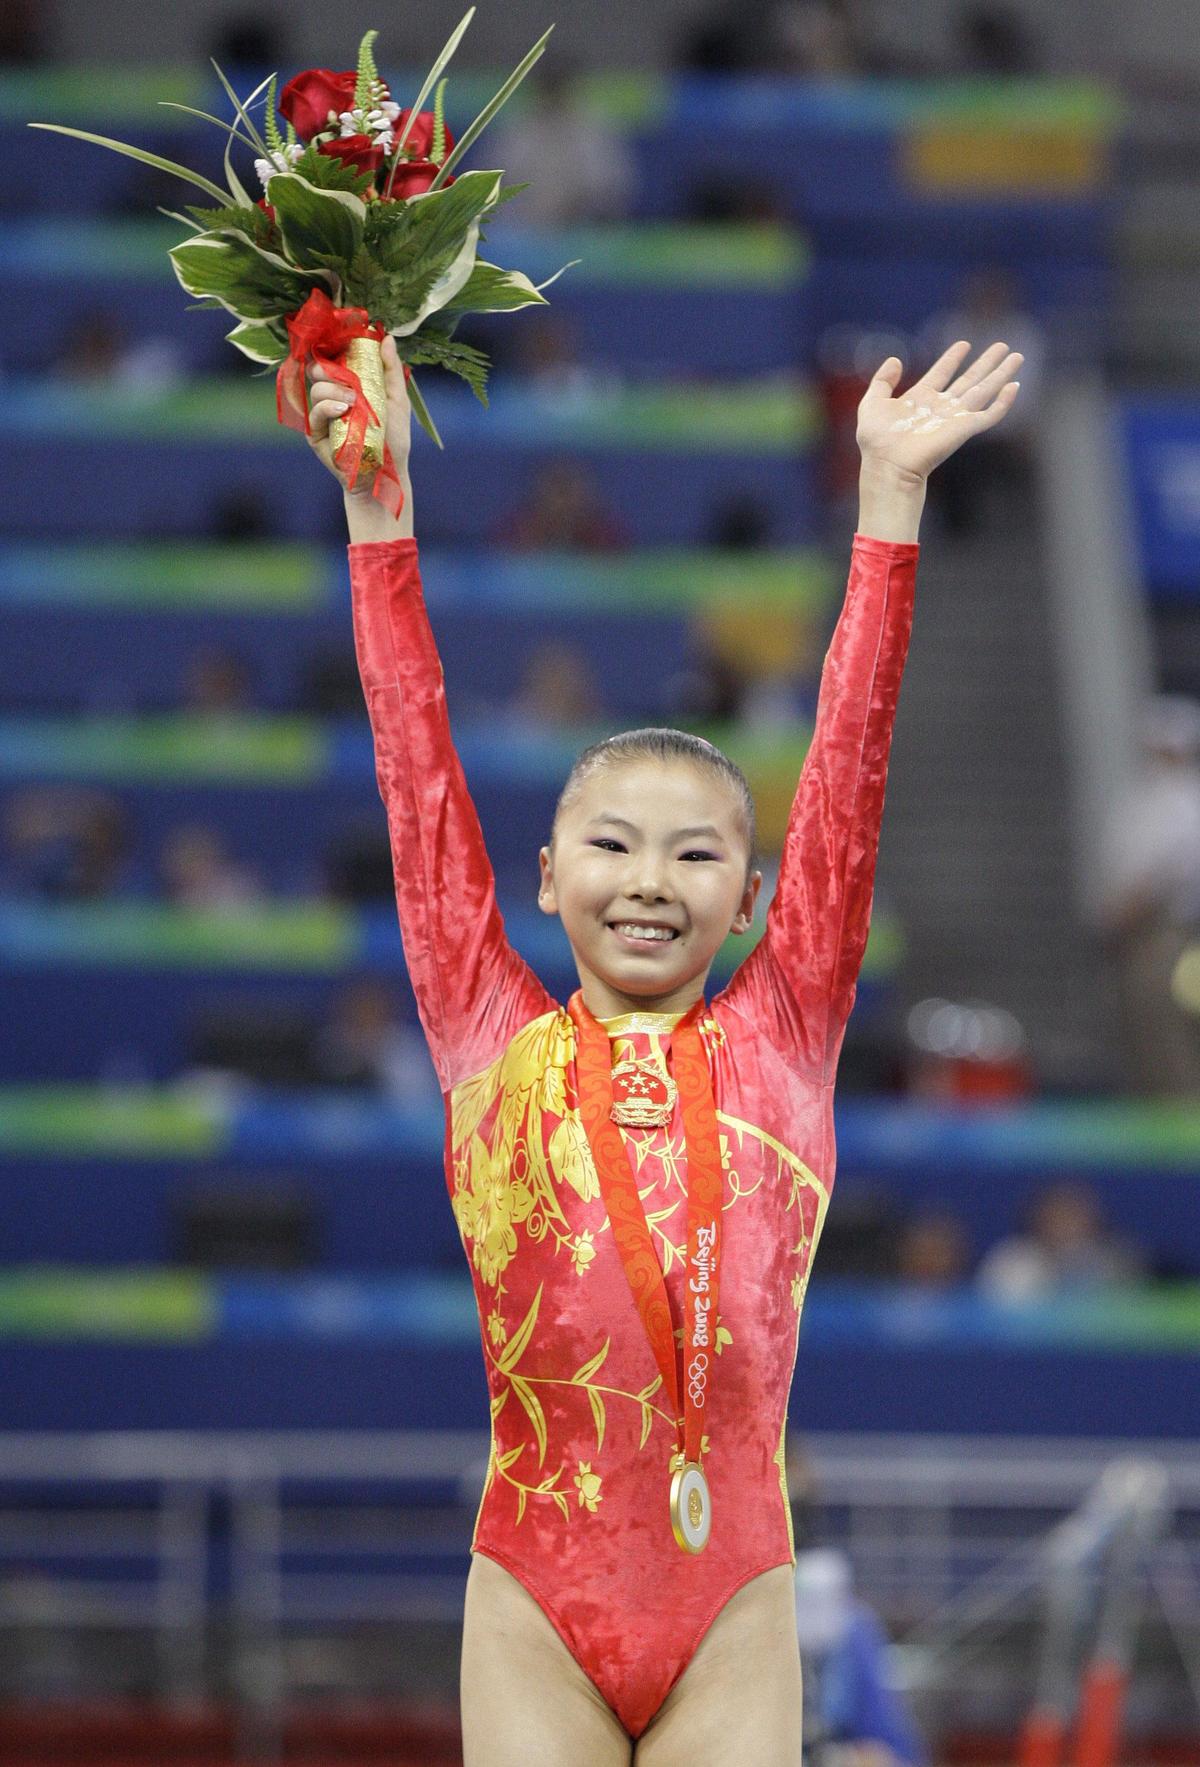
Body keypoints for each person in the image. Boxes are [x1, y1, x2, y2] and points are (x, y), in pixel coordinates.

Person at [300, 331, 1020, 1763]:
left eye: (696, 855)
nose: (650, 880)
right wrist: (376, 509)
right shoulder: (482, 1025)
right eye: (613, 847)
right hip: (533, 1597)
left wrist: (886, 510)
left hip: (735, 1593)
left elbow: (844, 779)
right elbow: (414, 763)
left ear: (750, 900)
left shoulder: (789, 1026)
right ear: (545, 876)